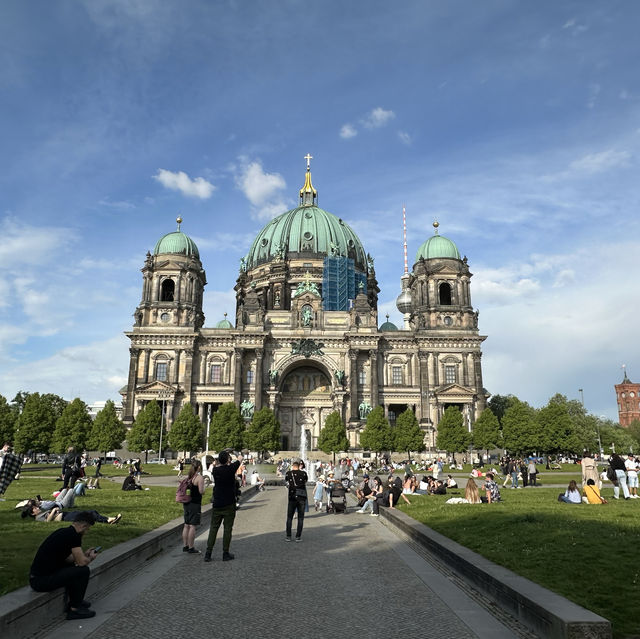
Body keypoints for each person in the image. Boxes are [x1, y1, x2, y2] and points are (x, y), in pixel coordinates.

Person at [29, 510, 99, 620]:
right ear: (83, 526)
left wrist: (83, 554)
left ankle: (76, 601)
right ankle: (74, 609)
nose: (87, 531)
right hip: (42, 581)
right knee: (83, 571)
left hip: (37, 578)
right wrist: (90, 558)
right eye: (88, 528)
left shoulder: (65, 532)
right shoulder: (74, 536)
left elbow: (69, 559)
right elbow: (81, 563)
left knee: (74, 569)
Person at [204, 451, 242, 562]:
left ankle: (208, 553)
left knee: (213, 528)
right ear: (228, 460)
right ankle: (225, 553)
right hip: (229, 503)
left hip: (217, 503)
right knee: (227, 529)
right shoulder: (231, 469)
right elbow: (240, 458)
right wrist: (235, 453)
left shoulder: (215, 470)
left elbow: (216, 464)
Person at [182, 459, 205, 554]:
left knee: (186, 525)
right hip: (195, 503)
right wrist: (204, 490)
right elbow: (201, 491)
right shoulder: (199, 478)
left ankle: (185, 545)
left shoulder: (189, 477)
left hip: (186, 503)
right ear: (199, 467)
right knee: (192, 526)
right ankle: (191, 547)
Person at [23, 503, 121, 524]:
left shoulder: (42, 512)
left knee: (91, 512)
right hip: (65, 517)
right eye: (35, 508)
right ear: (32, 513)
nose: (37, 508)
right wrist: (53, 511)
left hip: (66, 513)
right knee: (89, 514)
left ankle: (109, 519)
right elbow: (48, 521)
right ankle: (108, 520)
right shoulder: (37, 518)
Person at [284, 460, 308, 541]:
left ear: (292, 466)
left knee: (289, 517)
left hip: (292, 497)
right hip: (302, 497)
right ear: (298, 466)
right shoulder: (304, 473)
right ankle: (298, 537)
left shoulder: (288, 473)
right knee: (300, 518)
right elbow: (305, 481)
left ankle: (288, 536)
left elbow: (286, 481)